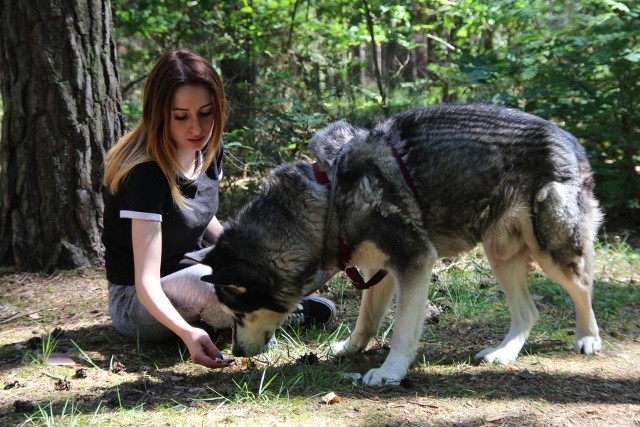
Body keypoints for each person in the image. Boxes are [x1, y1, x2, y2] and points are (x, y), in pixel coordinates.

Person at [102, 49, 336, 369]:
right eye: (181, 116)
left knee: (318, 248)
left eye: (206, 113)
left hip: (196, 269)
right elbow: (145, 283)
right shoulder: (144, 173)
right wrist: (187, 333)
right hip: (138, 301)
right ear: (159, 114)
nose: (196, 128)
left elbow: (201, 216)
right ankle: (275, 313)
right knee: (211, 284)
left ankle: (266, 307)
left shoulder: (210, 147)